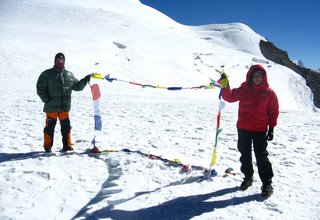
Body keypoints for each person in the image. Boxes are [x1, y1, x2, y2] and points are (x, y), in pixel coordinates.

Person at [219, 64, 279, 197]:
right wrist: (225, 84)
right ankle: (248, 177)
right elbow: (229, 97)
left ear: (264, 77)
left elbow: (273, 111)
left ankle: (267, 183)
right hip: (243, 128)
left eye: (260, 76)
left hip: (260, 130)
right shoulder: (244, 89)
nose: (257, 78)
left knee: (261, 157)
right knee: (245, 155)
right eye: (255, 75)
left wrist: (271, 129)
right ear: (250, 76)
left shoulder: (269, 93)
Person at [36, 52, 91, 153]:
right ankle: (47, 147)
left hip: (64, 108)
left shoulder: (69, 75)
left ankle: (67, 145)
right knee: (49, 128)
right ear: (55, 61)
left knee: (66, 127)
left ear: (64, 61)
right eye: (58, 60)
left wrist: (85, 80)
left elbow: (77, 87)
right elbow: (40, 88)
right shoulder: (47, 74)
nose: (60, 62)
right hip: (51, 108)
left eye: (62, 60)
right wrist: (46, 100)